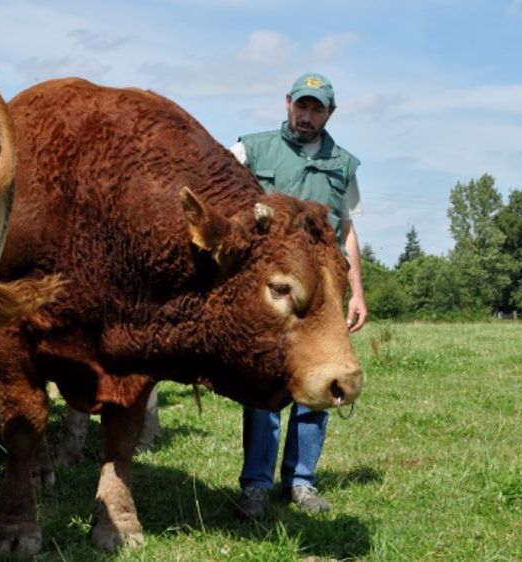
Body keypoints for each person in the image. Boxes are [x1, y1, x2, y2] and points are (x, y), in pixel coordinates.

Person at [229, 72, 367, 519]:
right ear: (287, 102)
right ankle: (255, 484)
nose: (306, 116)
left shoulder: (343, 164)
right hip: (273, 293)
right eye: (301, 106)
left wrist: (357, 293)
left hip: (323, 294)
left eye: (316, 108)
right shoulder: (250, 150)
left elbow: (347, 231)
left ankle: (302, 482)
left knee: (322, 376)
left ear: (330, 112)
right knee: (264, 384)